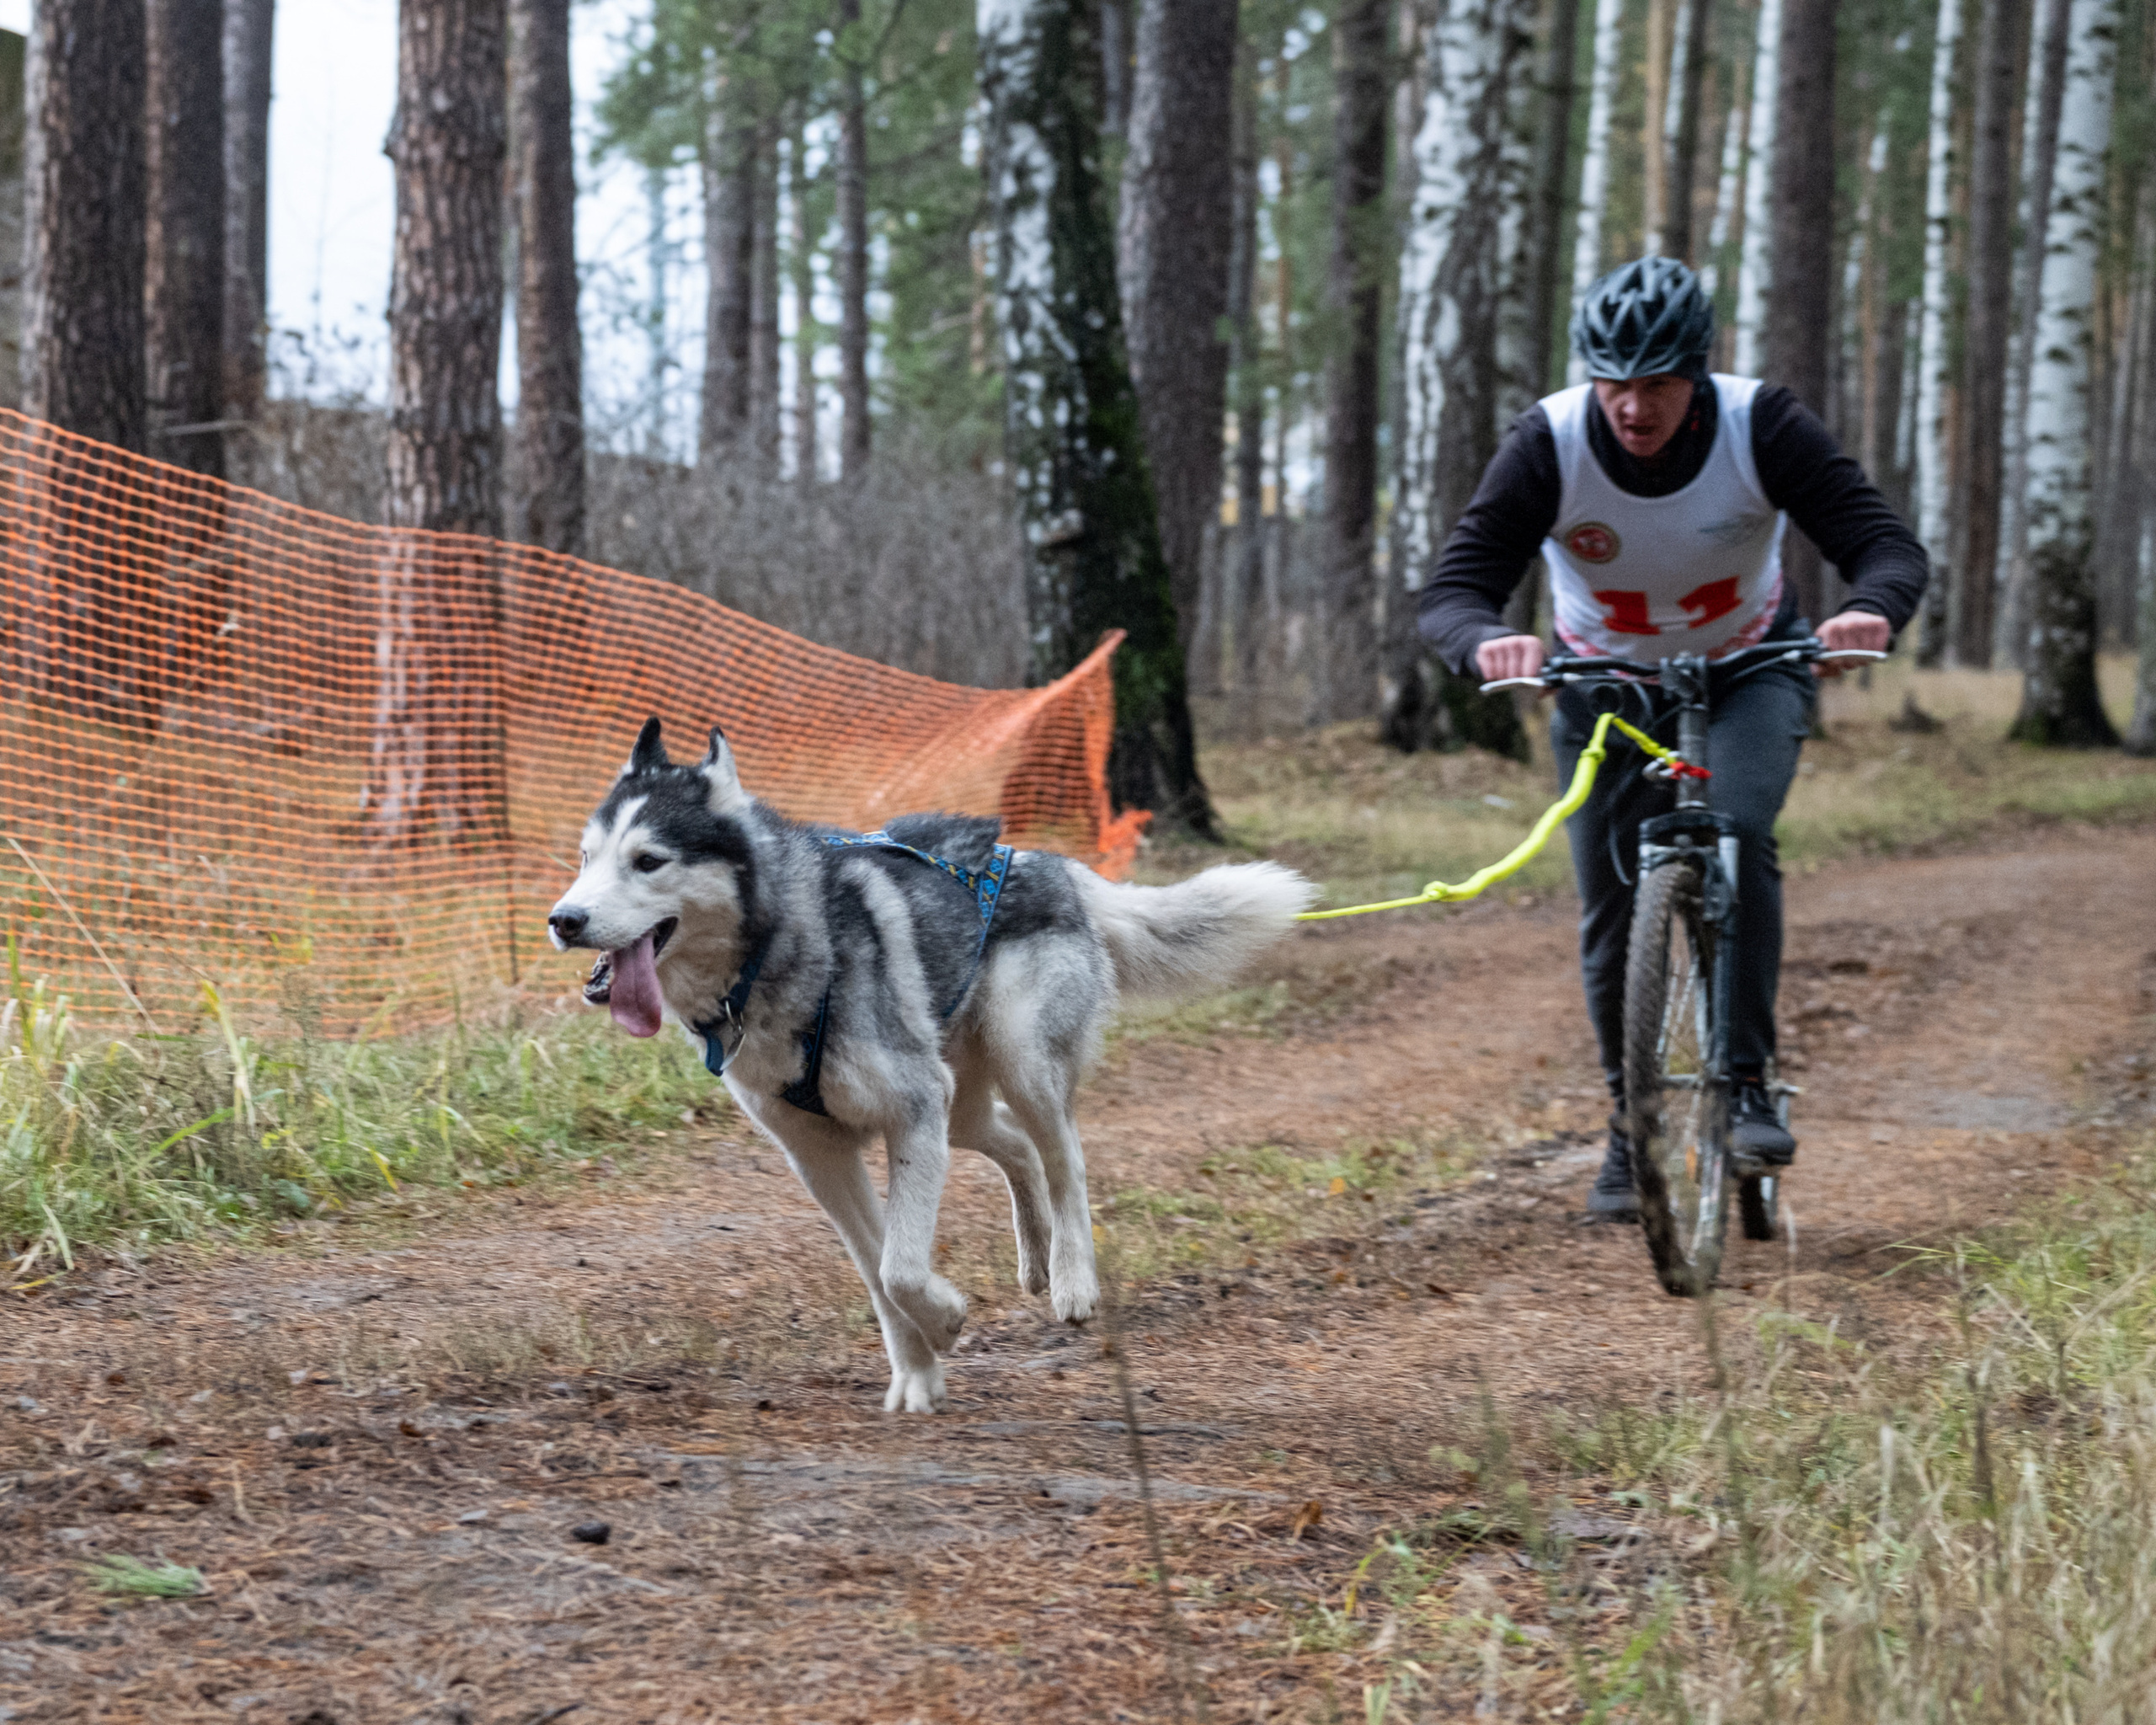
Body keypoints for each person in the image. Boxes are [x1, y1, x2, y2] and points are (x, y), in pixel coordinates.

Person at [1417, 256, 1928, 1221]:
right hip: (1602, 686)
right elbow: (1454, 589)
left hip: (1749, 668)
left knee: (1733, 833)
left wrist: (1868, 609)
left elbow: (1885, 544)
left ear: (1695, 373)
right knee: (1611, 908)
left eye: (1654, 383)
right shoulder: (1550, 441)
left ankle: (1743, 1083)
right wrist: (1485, 641)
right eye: (1613, 381)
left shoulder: (1759, 424)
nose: (1631, 406)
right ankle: (1630, 1120)